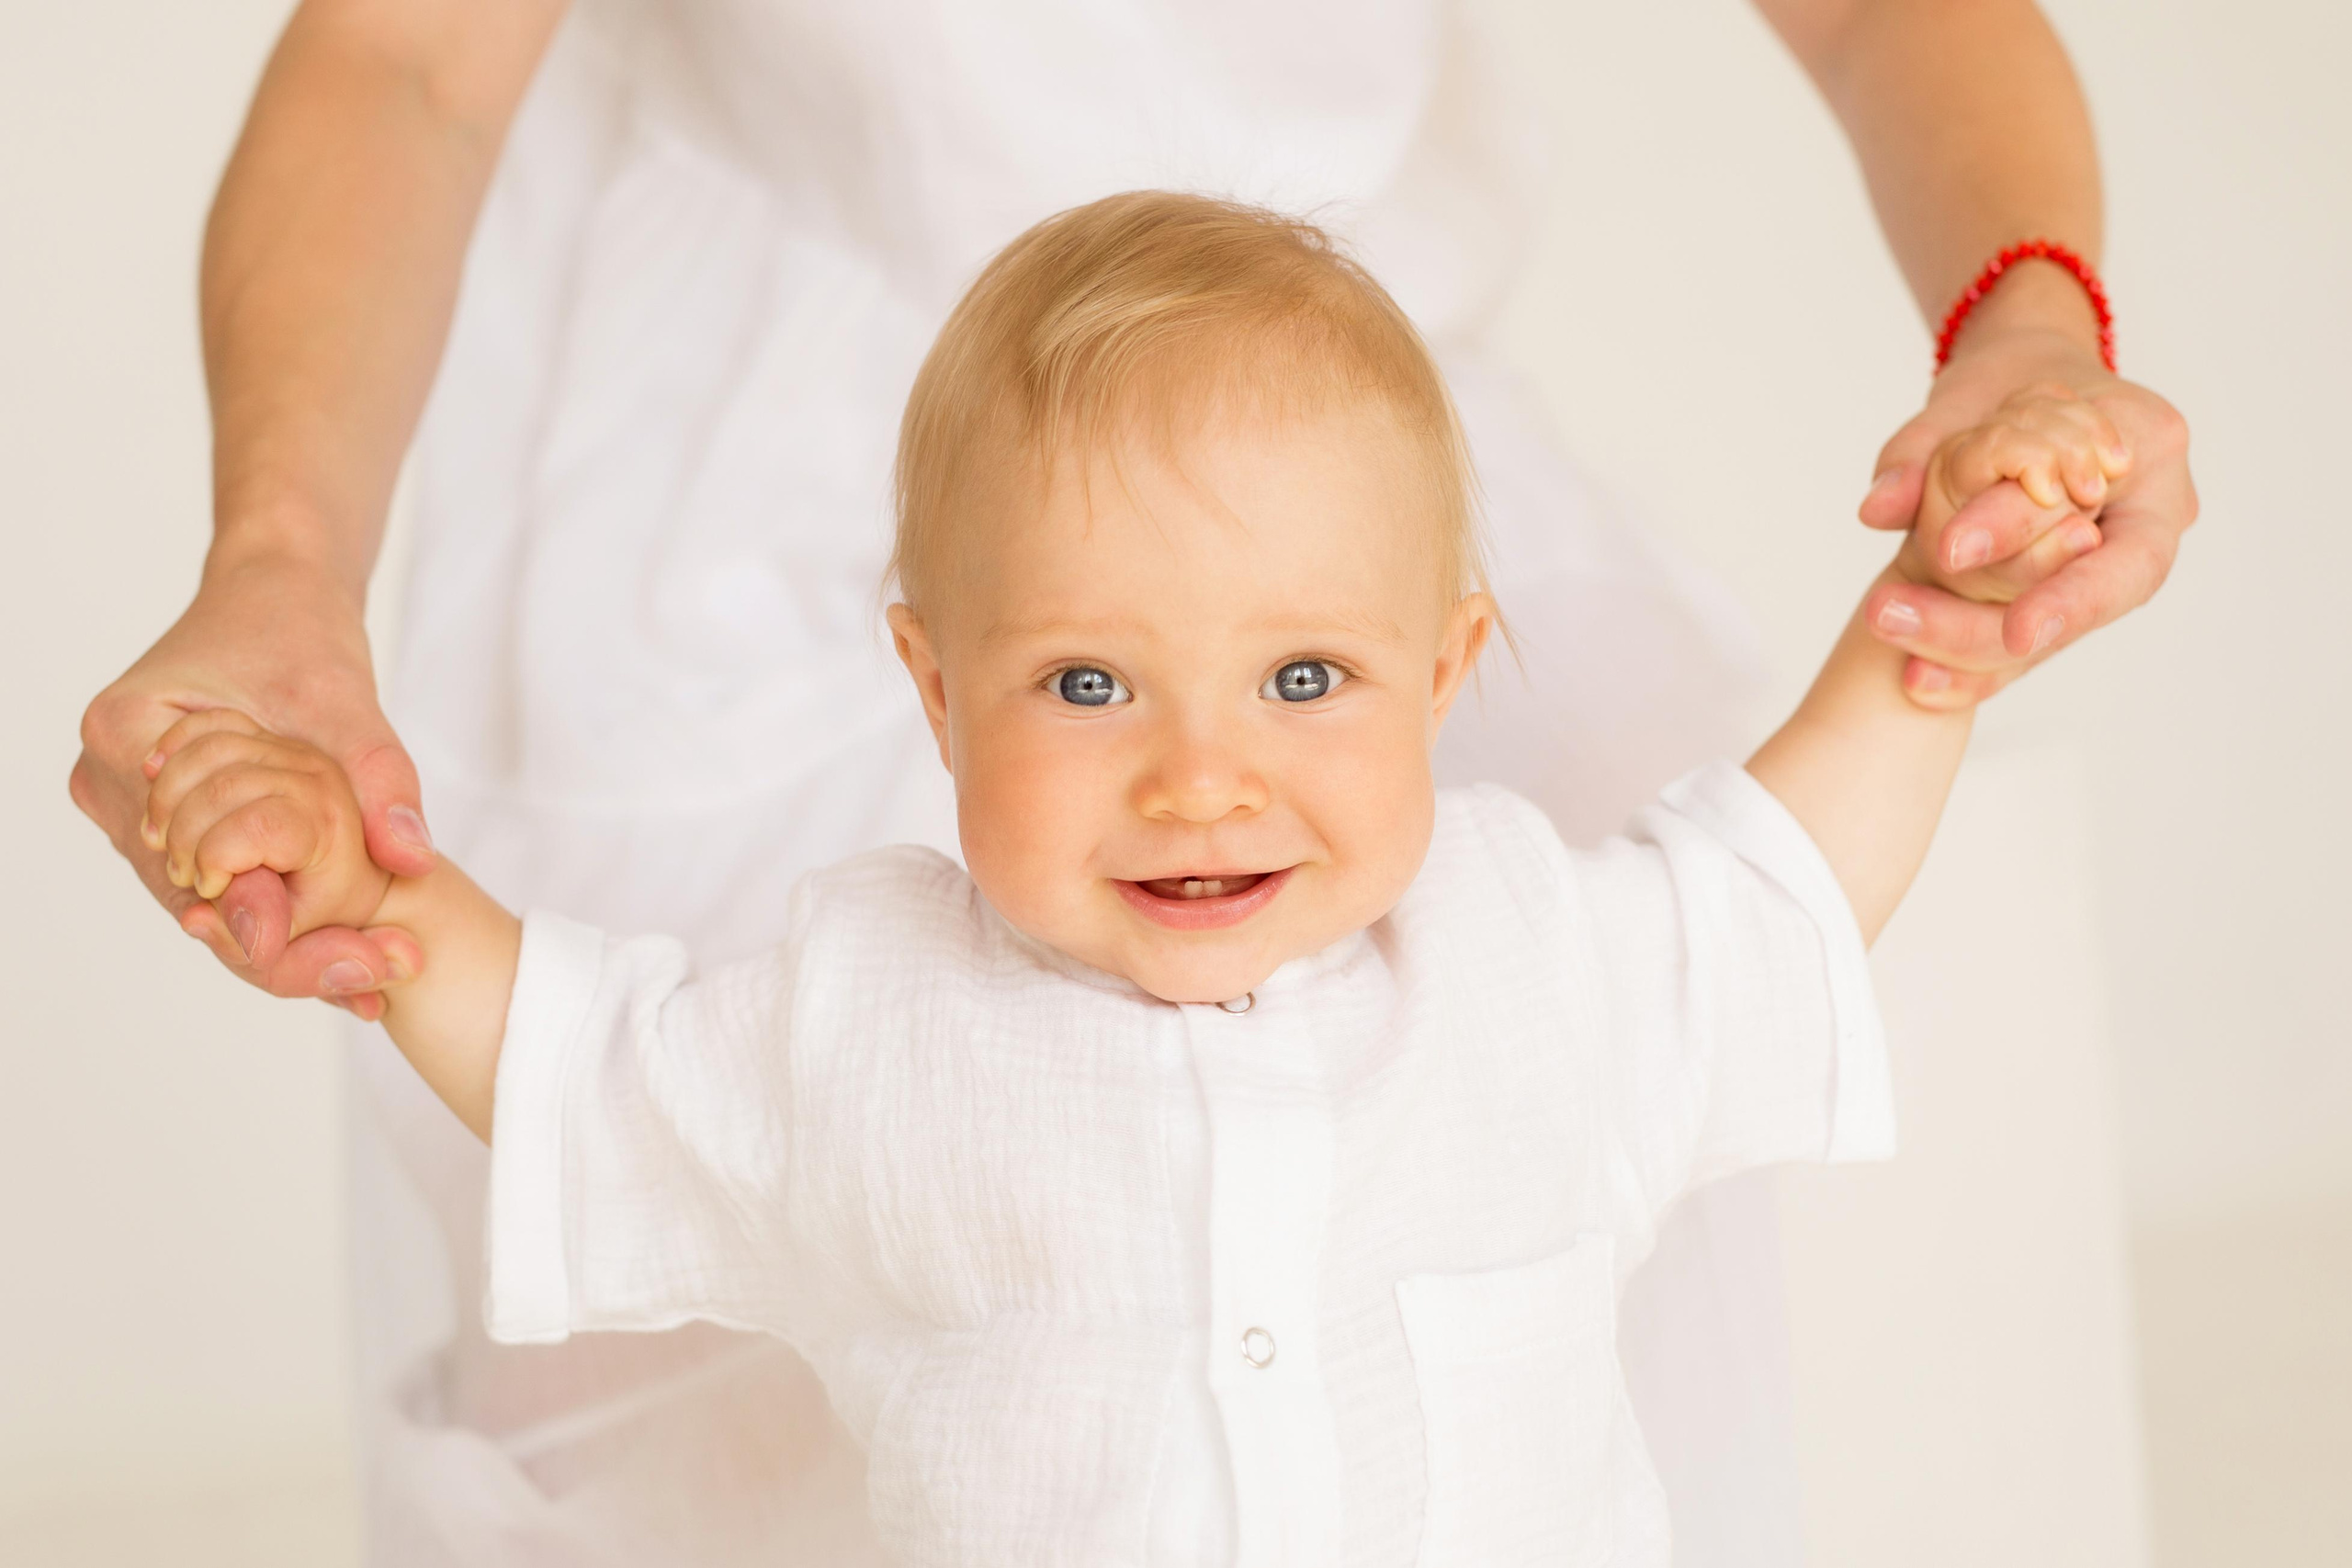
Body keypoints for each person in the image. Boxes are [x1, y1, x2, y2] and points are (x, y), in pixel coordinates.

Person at [71, 3, 2197, 1562]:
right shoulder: (855, 1030)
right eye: (1092, 688)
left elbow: (1777, 877)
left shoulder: (1537, 947)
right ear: (927, 690)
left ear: (1446, 664)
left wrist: (1975, 504)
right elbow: (580, 1056)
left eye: (1298, 689)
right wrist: (345, 846)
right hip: (747, 463)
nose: (1202, 778)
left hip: (1307, 419)